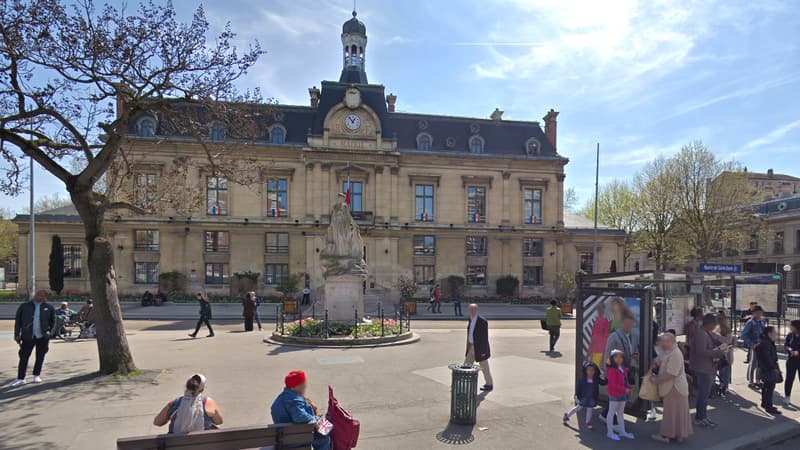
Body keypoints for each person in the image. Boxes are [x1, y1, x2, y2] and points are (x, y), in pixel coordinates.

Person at [270, 370, 331, 450]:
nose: (305, 387)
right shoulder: (293, 399)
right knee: (324, 439)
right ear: (295, 386)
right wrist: (315, 420)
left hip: (282, 437)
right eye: (303, 385)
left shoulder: (281, 398)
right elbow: (299, 417)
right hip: (294, 439)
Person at [650, 332, 692, 444]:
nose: (663, 343)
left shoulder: (675, 354)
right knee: (679, 412)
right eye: (662, 341)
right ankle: (679, 435)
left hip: (674, 387)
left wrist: (656, 380)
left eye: (666, 341)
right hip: (678, 387)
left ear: (672, 342)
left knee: (670, 412)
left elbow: (670, 374)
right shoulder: (671, 351)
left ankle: (666, 435)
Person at [11, 290, 56, 387]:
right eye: (37, 294)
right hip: (28, 336)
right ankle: (21, 378)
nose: (38, 296)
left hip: (42, 337)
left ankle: (36, 375)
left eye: (41, 295)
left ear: (45, 297)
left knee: (40, 357)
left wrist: (50, 332)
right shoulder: (25, 306)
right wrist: (17, 334)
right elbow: (18, 321)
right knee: (24, 357)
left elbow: (53, 321)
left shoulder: (49, 307)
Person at [689, 313, 726, 428]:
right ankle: (700, 417)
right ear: (710, 324)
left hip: (707, 367)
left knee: (705, 394)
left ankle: (703, 416)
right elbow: (702, 351)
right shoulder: (701, 334)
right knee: (703, 394)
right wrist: (718, 352)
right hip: (703, 367)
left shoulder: (705, 332)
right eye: (715, 324)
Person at [154, 373, 223, 433]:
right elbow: (219, 421)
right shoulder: (208, 403)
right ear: (202, 390)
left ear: (187, 386)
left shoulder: (174, 404)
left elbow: (157, 422)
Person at [563, 361, 606, 430]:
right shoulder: (582, 380)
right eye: (589, 370)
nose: (591, 372)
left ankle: (588, 421)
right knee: (579, 407)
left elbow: (603, 383)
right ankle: (567, 415)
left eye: (592, 370)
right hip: (584, 397)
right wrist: (576, 394)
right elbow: (578, 387)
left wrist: (603, 376)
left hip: (592, 398)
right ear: (585, 371)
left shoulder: (596, 379)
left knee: (590, 409)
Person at [606, 349, 634, 441]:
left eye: (621, 357)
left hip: (622, 394)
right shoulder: (611, 370)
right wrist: (625, 389)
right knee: (611, 412)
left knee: (620, 413)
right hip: (614, 394)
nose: (619, 359)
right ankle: (610, 432)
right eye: (616, 357)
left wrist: (629, 387)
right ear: (612, 358)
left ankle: (622, 432)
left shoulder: (623, 368)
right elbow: (612, 384)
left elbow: (625, 381)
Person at [465, 304, 494, 391]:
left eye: (472, 310)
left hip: (480, 348)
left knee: (484, 367)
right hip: (471, 347)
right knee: (466, 365)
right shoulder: (470, 319)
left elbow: (484, 337)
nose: (471, 311)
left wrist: (483, 351)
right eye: (470, 310)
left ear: (476, 310)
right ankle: (463, 382)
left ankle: (489, 384)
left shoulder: (482, 321)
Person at [756, 326, 782, 415]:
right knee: (769, 387)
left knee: (766, 386)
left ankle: (765, 403)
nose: (776, 334)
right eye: (775, 332)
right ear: (769, 333)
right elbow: (767, 358)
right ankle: (769, 406)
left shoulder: (766, 342)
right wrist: (773, 368)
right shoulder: (766, 343)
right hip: (768, 368)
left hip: (765, 368)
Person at [742, 305, 766, 387]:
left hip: (761, 345)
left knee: (760, 364)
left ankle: (758, 380)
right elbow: (744, 335)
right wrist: (751, 344)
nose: (759, 314)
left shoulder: (762, 321)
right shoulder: (750, 322)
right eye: (757, 313)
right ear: (754, 313)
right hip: (754, 345)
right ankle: (751, 381)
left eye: (760, 313)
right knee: (753, 363)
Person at [714, 313, 735, 396]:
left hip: (721, 353)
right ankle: (724, 386)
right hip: (725, 353)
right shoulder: (726, 329)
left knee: (722, 370)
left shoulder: (717, 330)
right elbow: (729, 341)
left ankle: (722, 386)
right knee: (725, 370)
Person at [588, 302, 610, 367]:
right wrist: (589, 351)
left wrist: (603, 353)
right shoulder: (595, 320)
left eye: (601, 308)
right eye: (598, 308)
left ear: (604, 309)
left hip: (599, 351)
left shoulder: (605, 321)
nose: (600, 310)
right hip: (593, 350)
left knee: (596, 369)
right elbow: (593, 336)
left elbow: (606, 337)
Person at [784, 320, 800, 406]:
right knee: (789, 378)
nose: (790, 327)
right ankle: (787, 396)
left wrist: (798, 352)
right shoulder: (790, 335)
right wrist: (789, 349)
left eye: (791, 326)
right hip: (791, 360)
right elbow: (786, 345)